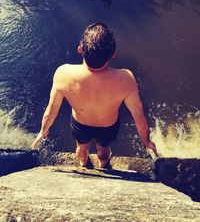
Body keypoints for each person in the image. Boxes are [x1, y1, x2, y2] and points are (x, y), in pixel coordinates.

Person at [31, 22, 157, 167]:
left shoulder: (63, 74)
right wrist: (146, 141)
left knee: (81, 147)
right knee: (104, 148)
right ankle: (103, 164)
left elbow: (51, 111)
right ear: (113, 54)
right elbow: (139, 117)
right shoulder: (126, 78)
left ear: (80, 49)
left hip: (80, 124)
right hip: (108, 126)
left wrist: (43, 131)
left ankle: (83, 164)